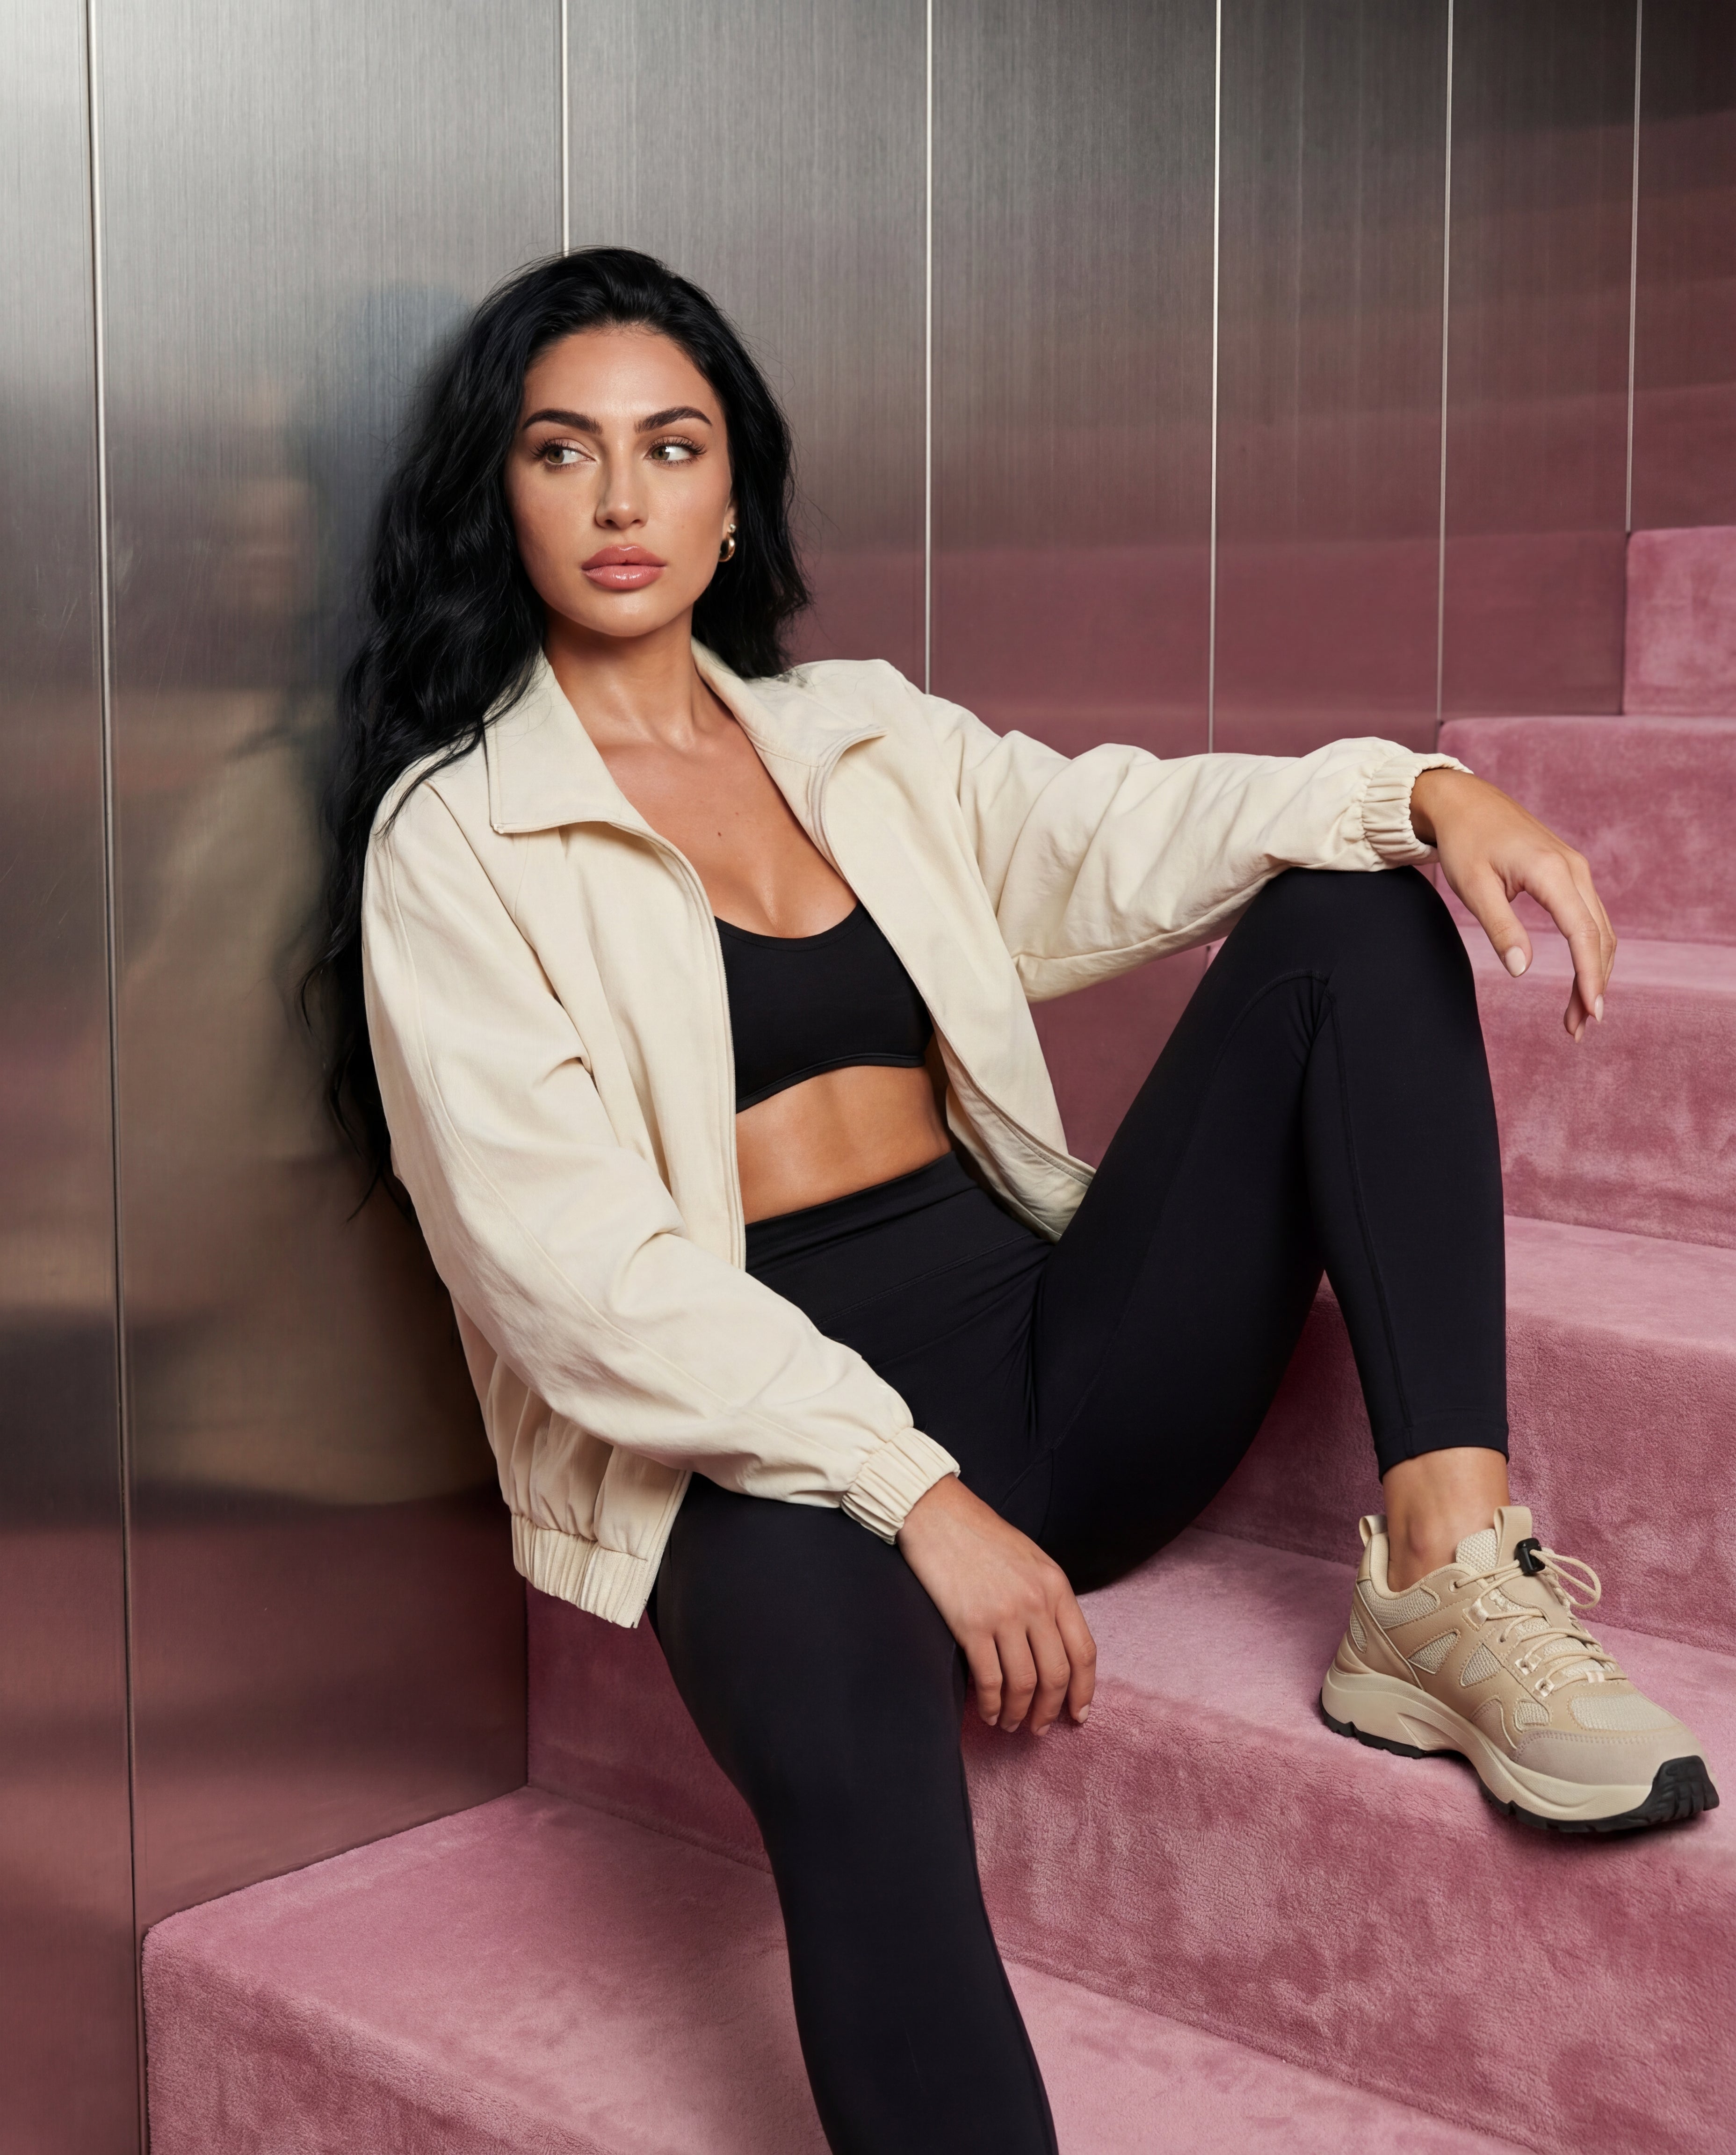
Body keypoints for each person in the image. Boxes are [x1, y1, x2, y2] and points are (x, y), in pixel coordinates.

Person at [314, 249, 1717, 2155]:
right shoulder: (456, 837)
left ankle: (1449, 1577)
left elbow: (1108, 831)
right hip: (763, 1463)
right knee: (857, 1788)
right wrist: (912, 1493)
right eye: (565, 451)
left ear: (734, 499)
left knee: (1352, 909)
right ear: (504, 492)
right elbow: (569, 1271)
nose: (622, 497)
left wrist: (1417, 792)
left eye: (672, 446)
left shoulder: (858, 734)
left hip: (1056, 1372)